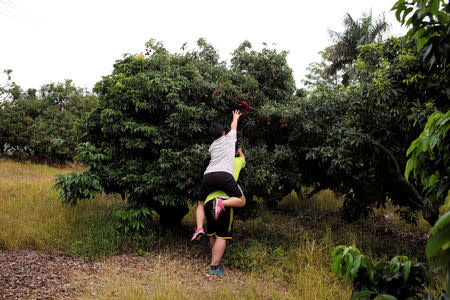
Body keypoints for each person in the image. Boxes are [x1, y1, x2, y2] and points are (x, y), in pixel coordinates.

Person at [194, 148, 246, 276]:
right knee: (222, 236)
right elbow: (243, 159)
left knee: (212, 234)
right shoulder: (236, 162)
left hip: (208, 202)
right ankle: (213, 268)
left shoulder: (214, 165)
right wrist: (239, 152)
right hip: (225, 202)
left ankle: (214, 261)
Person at [196, 110, 246, 225]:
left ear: (212, 137)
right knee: (242, 200)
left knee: (200, 203)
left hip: (208, 175)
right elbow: (233, 127)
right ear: (224, 132)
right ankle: (220, 203)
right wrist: (235, 117)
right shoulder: (229, 138)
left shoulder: (212, 147)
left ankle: (199, 228)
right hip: (224, 174)